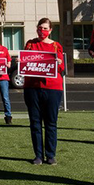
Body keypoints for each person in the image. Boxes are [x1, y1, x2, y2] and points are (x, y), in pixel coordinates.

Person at [23, 18, 65, 165]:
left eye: (46, 28)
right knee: (35, 123)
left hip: (52, 88)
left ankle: (50, 154)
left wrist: (59, 62)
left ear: (51, 30)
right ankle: (38, 155)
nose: (43, 31)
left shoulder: (56, 46)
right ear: (36, 29)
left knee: (50, 123)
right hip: (32, 88)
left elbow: (61, 69)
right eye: (40, 28)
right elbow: (25, 63)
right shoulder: (30, 44)